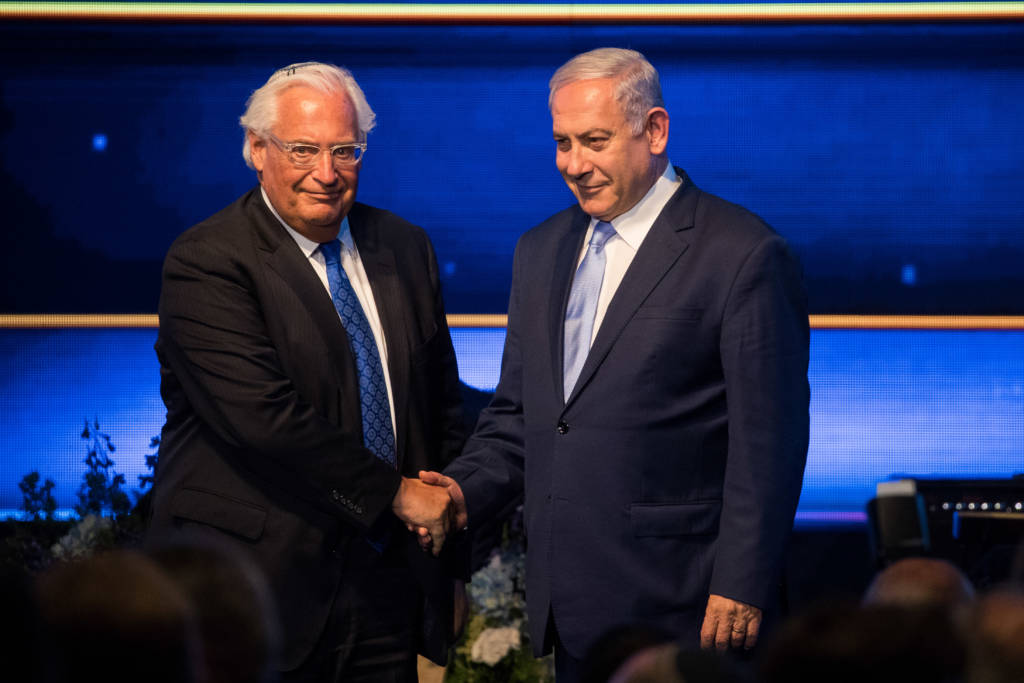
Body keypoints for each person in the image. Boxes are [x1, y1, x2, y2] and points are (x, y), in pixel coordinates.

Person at [421, 47, 809, 680]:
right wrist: (462, 491)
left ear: (655, 129)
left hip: (687, 602)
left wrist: (741, 579)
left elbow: (770, 441)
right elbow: (524, 414)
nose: (574, 165)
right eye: (562, 143)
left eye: (594, 141)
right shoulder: (539, 249)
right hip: (569, 607)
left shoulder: (743, 253)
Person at [146, 61, 466, 682]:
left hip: (387, 587)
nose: (326, 173)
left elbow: (439, 409)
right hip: (250, 590)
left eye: (344, 151)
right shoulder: (207, 261)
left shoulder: (405, 246)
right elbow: (263, 420)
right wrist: (400, 495)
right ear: (256, 150)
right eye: (303, 150)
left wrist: (449, 565)